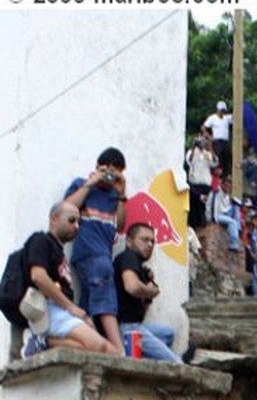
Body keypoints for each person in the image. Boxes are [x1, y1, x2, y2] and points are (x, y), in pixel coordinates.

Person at [23, 201, 120, 358]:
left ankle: (43, 343)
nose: (76, 226)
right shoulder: (41, 240)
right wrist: (71, 307)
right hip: (49, 309)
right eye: (71, 220)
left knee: (112, 352)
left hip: (63, 311)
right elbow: (38, 276)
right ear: (54, 218)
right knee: (100, 347)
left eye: (78, 222)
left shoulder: (59, 252)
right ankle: (42, 341)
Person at [64, 147, 128, 353]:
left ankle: (88, 342)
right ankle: (118, 349)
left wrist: (120, 194)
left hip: (104, 255)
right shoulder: (81, 185)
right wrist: (90, 183)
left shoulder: (113, 195)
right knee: (105, 296)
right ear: (97, 167)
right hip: (89, 253)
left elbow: (120, 225)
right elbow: (67, 208)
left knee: (88, 302)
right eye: (106, 168)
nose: (110, 173)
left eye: (115, 170)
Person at [113, 223, 183, 363]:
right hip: (128, 328)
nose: (150, 244)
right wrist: (149, 291)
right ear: (129, 241)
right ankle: (136, 356)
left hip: (136, 325)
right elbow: (132, 287)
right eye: (144, 240)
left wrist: (148, 289)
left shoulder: (140, 267)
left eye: (152, 241)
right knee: (177, 363)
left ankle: (141, 355)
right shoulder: (129, 256)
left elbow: (143, 308)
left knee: (168, 333)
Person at [185, 136, 218, 229]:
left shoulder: (207, 153)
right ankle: (194, 226)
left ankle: (202, 225)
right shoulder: (191, 152)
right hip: (194, 183)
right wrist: (193, 147)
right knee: (194, 206)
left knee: (203, 207)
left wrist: (210, 146)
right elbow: (189, 161)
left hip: (205, 184)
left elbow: (214, 163)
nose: (201, 144)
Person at [206, 176, 242, 251]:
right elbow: (213, 207)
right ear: (222, 185)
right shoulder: (216, 193)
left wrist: (233, 200)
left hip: (224, 214)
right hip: (216, 215)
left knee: (236, 207)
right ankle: (233, 244)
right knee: (233, 222)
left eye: (229, 186)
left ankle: (237, 230)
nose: (227, 187)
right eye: (226, 185)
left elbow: (236, 205)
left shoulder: (227, 196)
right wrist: (213, 220)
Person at [203, 100, 232, 174]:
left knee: (227, 158)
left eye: (223, 111)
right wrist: (209, 137)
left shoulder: (226, 118)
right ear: (218, 110)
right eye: (221, 110)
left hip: (225, 141)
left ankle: (225, 174)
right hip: (217, 141)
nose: (222, 112)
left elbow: (235, 117)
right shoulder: (212, 118)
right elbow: (204, 127)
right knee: (217, 158)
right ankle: (216, 174)